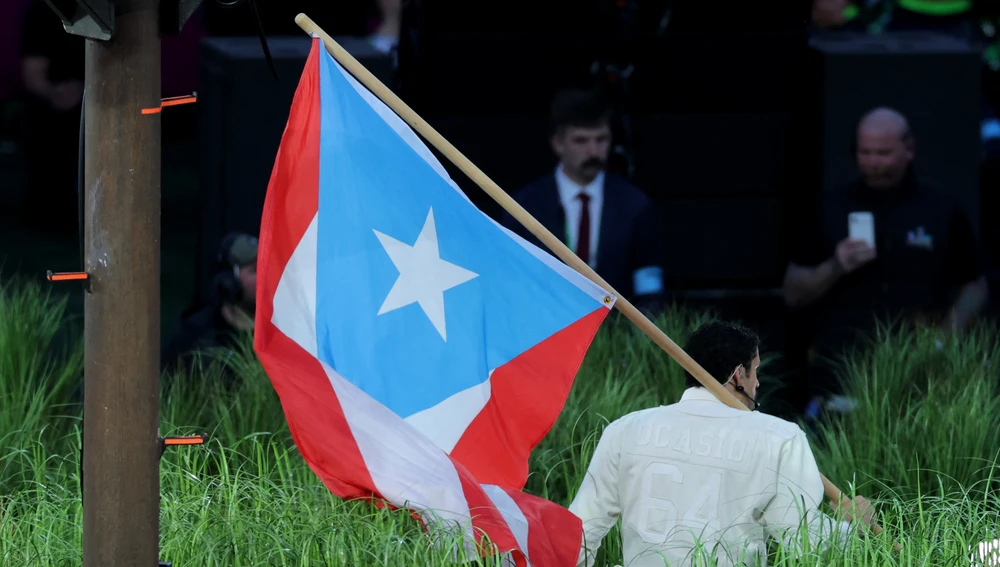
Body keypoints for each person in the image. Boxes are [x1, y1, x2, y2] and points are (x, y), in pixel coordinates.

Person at [568, 321, 875, 567]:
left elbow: (579, 533)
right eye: (756, 370)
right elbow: (806, 541)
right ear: (738, 375)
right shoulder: (780, 437)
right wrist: (854, 527)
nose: (758, 382)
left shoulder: (625, 429)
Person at [783, 107, 989, 414]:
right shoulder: (831, 207)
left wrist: (943, 339)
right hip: (840, 374)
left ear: (909, 149)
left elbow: (975, 285)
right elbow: (792, 293)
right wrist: (836, 265)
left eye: (883, 153)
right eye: (865, 153)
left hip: (918, 376)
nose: (873, 163)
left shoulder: (941, 211)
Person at [500, 88, 664, 310]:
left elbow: (649, 290)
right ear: (558, 144)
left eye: (601, 139)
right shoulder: (524, 206)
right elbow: (510, 282)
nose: (593, 151)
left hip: (616, 326)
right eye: (581, 141)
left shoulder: (635, 205)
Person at [161, 232, 257, 378]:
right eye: (255, 270)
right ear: (229, 280)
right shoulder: (196, 337)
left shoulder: (279, 335)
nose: (266, 277)